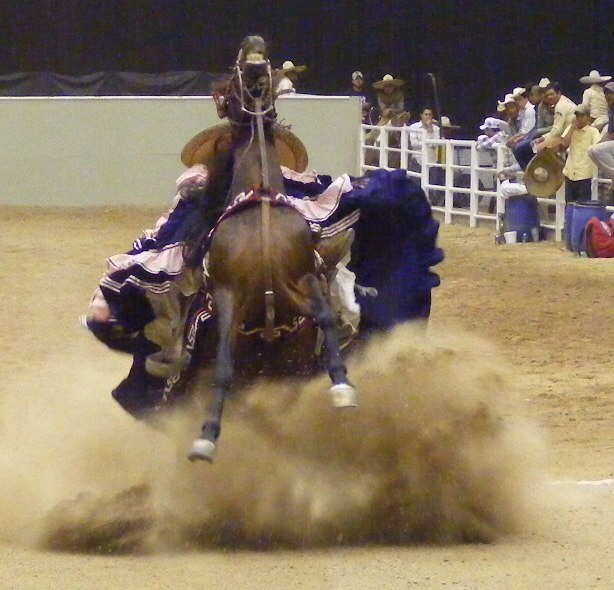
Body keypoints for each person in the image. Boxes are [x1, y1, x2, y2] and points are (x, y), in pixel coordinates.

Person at [556, 104, 601, 203]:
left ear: (588, 117)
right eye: (577, 116)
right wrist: (572, 128)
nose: (579, 118)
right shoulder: (571, 129)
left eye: (582, 116)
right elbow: (563, 145)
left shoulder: (594, 132)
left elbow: (597, 148)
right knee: (569, 204)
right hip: (570, 172)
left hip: (585, 173)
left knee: (583, 204)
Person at [587, 81, 614, 200]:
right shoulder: (611, 110)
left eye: (610, 93)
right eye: (605, 93)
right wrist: (597, 144)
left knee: (598, 150)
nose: (607, 96)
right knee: (591, 150)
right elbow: (610, 133)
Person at [533, 82, 577, 152]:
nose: (549, 97)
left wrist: (544, 141)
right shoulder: (563, 101)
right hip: (566, 134)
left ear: (558, 93)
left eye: (552, 94)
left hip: (570, 137)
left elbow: (557, 130)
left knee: (538, 148)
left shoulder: (560, 105)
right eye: (547, 95)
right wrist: (543, 138)